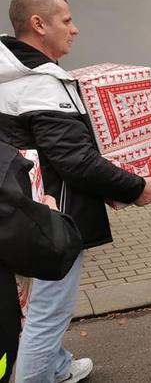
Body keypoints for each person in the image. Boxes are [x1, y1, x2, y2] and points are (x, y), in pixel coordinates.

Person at [0, 0, 151, 383]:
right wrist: (134, 187)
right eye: (66, 21)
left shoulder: (10, 76)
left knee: (30, 302)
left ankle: (57, 367)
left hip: (16, 210)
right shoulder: (41, 85)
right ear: (38, 25)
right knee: (47, 311)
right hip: (52, 218)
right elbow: (76, 161)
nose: (75, 30)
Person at [0, 141, 82, 383]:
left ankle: (59, 366)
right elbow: (48, 252)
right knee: (45, 318)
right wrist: (51, 216)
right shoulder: (7, 164)